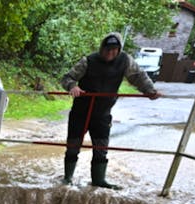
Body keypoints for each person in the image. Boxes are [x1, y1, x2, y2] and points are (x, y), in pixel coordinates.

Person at [60, 32, 160, 189]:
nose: (109, 53)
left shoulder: (125, 61)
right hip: (81, 111)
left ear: (119, 50)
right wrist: (72, 86)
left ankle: (99, 180)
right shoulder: (88, 61)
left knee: (101, 148)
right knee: (73, 145)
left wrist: (150, 91)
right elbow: (67, 78)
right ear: (102, 48)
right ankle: (67, 178)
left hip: (102, 113)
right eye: (107, 49)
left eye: (114, 49)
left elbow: (138, 76)